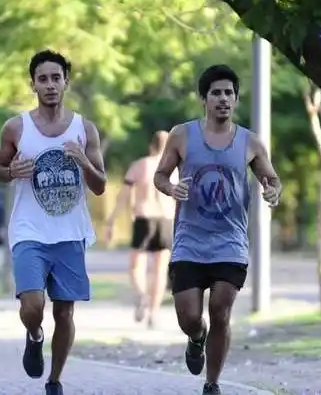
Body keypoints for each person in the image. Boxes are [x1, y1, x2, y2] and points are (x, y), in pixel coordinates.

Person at [153, 64, 281, 395]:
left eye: (229, 93)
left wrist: (272, 189)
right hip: (189, 242)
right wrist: (171, 189)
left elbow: (271, 177)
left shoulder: (250, 142)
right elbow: (160, 175)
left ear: (236, 99)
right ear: (204, 99)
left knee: (221, 309)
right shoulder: (182, 135)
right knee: (189, 317)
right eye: (216, 93)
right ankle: (196, 338)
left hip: (230, 242)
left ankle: (212, 384)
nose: (223, 99)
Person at [0, 50, 106, 395]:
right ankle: (34, 333)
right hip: (29, 231)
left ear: (66, 82)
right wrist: (11, 171)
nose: (50, 85)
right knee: (33, 305)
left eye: (56, 78)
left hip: (70, 233)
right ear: (33, 85)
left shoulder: (84, 129)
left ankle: (54, 379)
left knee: (65, 314)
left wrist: (84, 161)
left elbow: (100, 185)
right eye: (43, 79)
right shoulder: (16, 127)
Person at [103, 131, 175, 328]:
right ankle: (154, 313)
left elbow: (123, 197)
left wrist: (110, 222)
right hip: (166, 221)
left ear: (151, 145)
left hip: (144, 218)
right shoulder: (175, 169)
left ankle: (142, 296)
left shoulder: (140, 165)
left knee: (136, 266)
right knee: (160, 270)